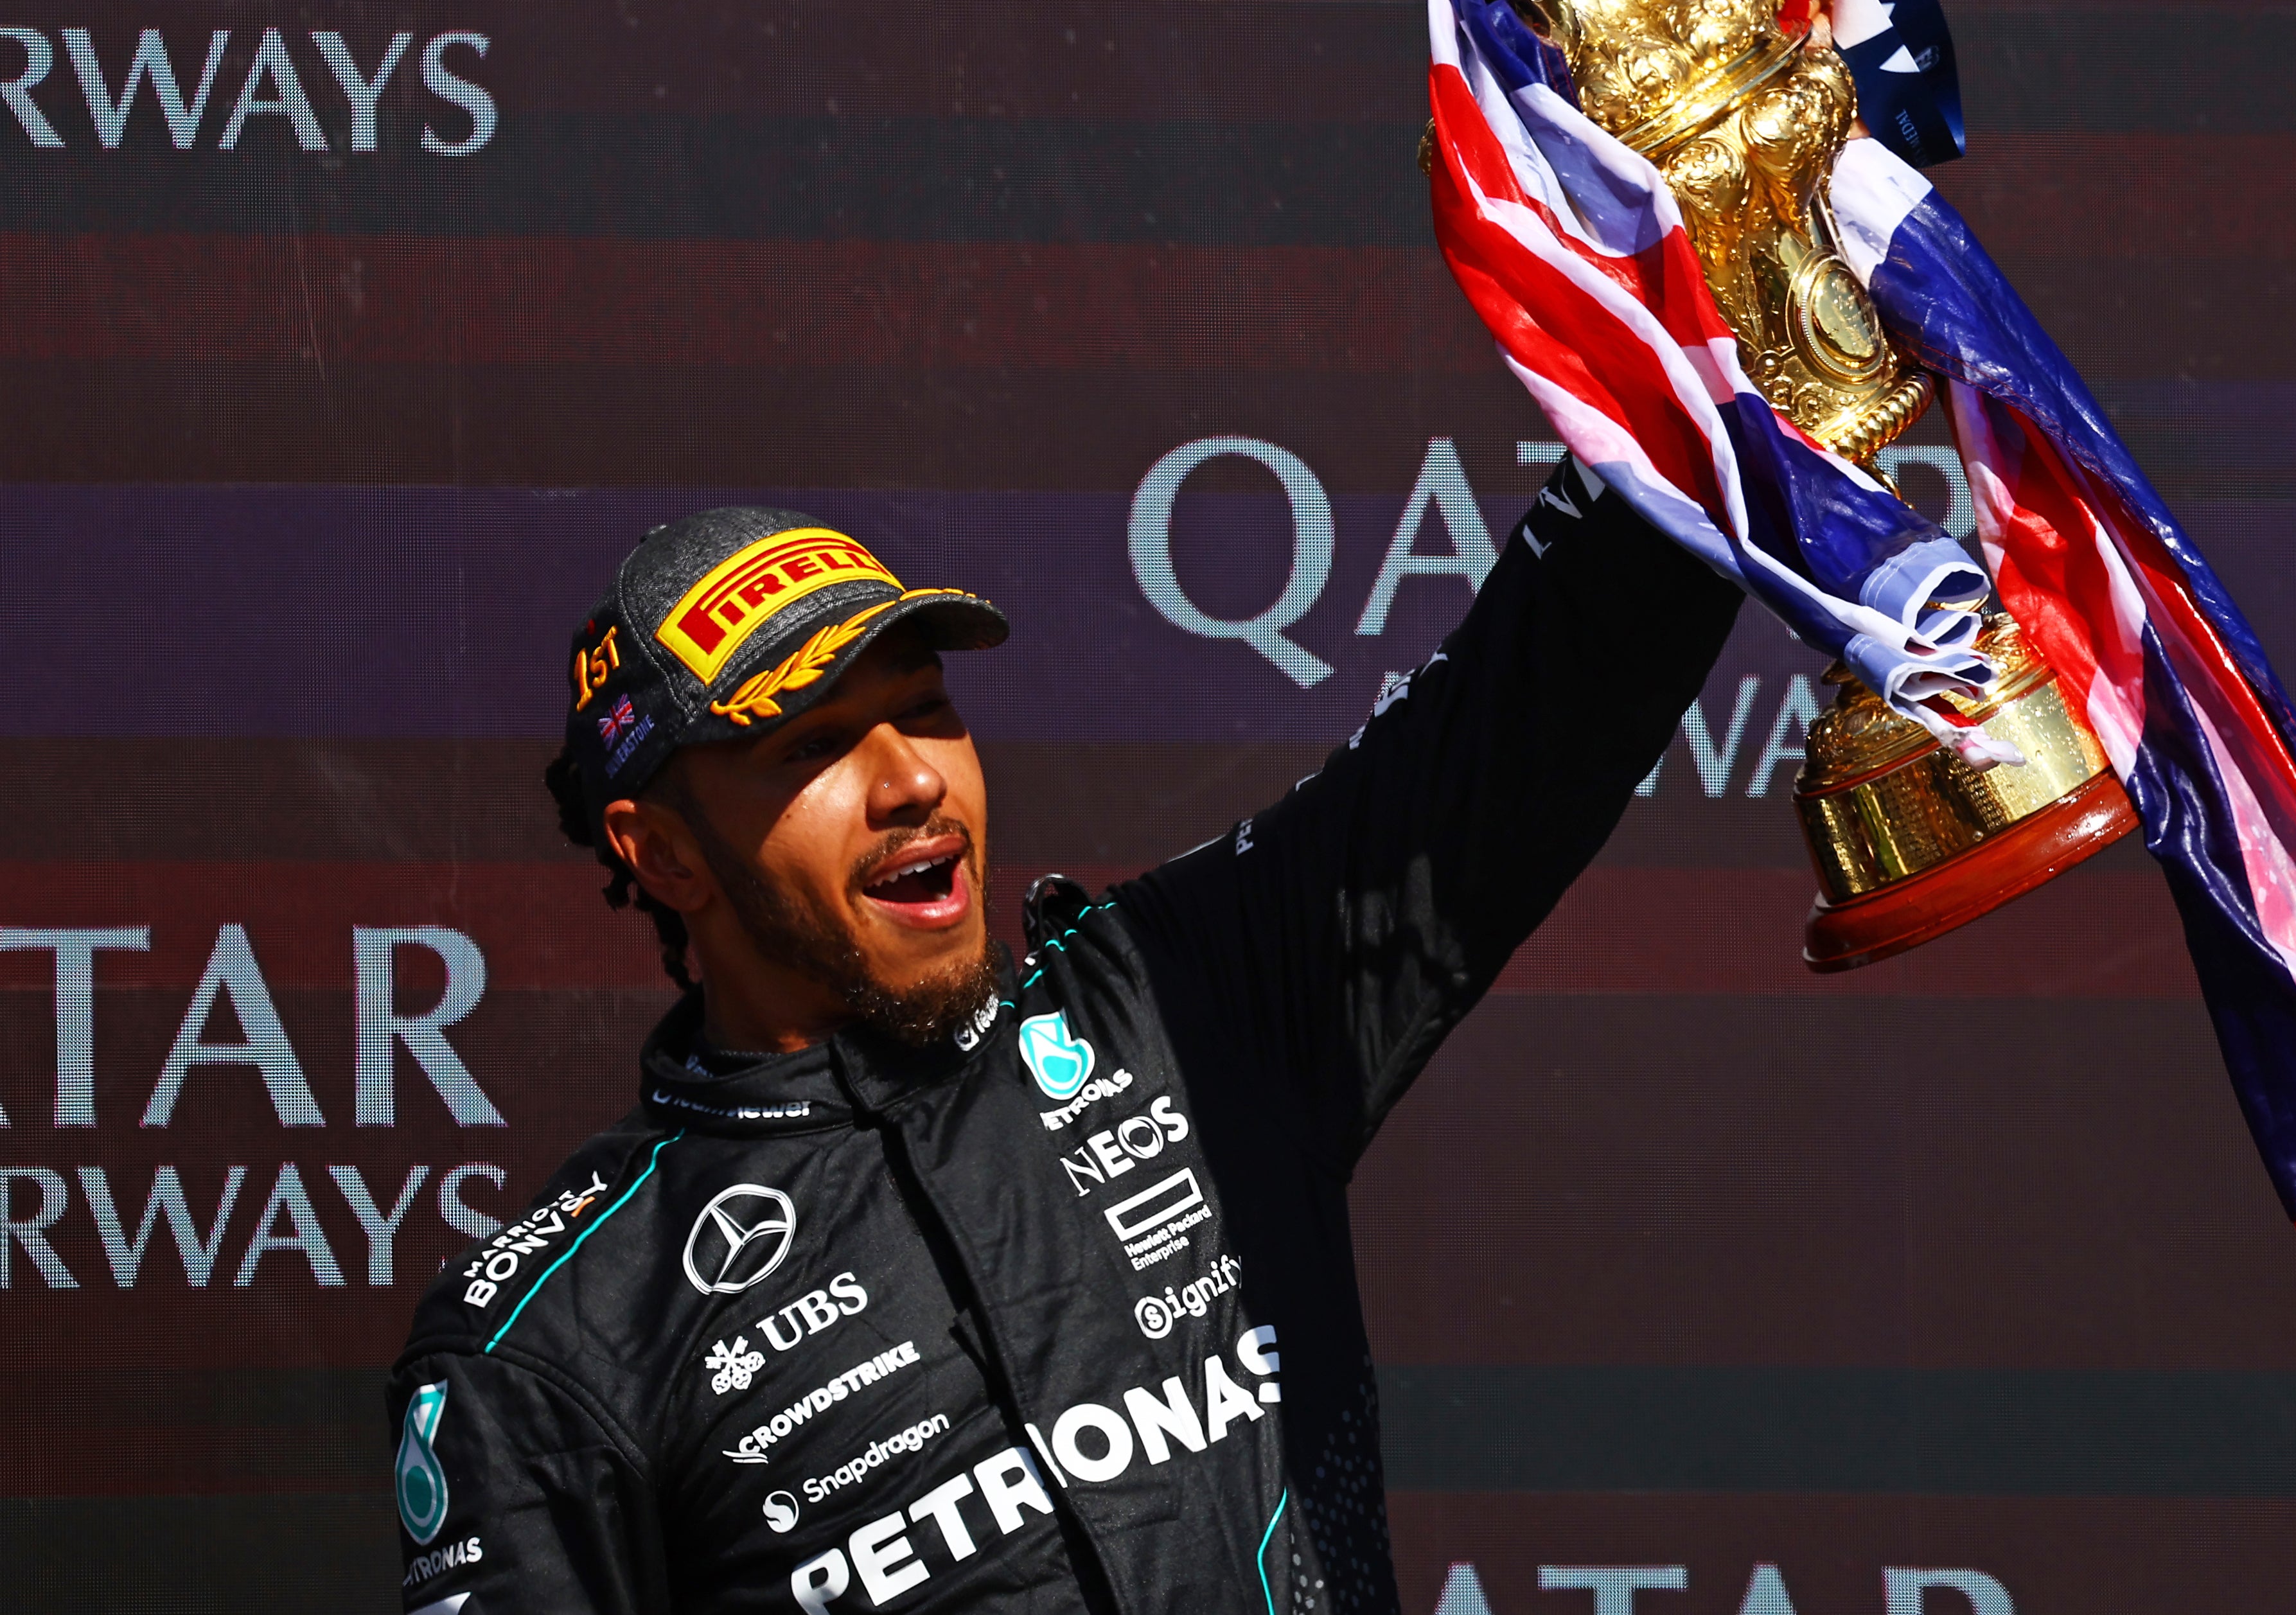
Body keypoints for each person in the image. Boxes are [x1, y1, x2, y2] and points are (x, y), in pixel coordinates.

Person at [388, 475, 1738, 1614]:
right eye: (817, 742)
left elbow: (1540, 692)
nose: (914, 777)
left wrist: (1747, 311)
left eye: (923, 707)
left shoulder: (1187, 999)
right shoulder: (553, 1344)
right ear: (664, 851)